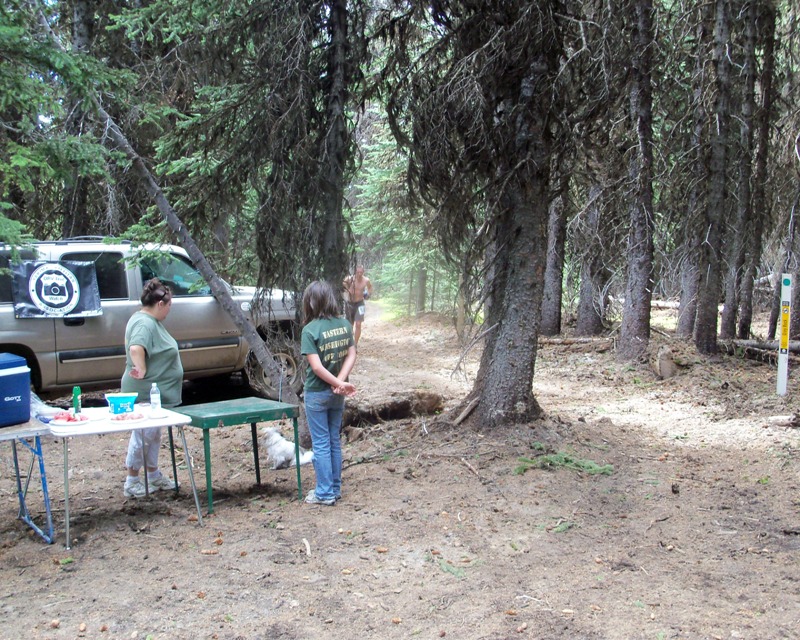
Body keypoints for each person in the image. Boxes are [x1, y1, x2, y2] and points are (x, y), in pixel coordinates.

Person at [120, 278, 183, 498]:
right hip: (146, 393)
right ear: (159, 304)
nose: (169, 311)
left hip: (157, 396)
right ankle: (132, 480)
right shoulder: (144, 323)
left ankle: (153, 474)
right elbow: (136, 347)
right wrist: (141, 368)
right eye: (168, 306)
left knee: (153, 435)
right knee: (142, 435)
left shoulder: (149, 320)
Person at [300, 280, 357, 506]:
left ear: (311, 303)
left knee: (321, 443)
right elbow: (352, 354)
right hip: (337, 394)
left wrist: (337, 383)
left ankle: (324, 493)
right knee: (334, 440)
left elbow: (316, 368)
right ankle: (335, 488)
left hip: (317, 393)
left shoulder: (309, 330)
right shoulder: (344, 324)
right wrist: (341, 383)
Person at [342, 265, 373, 346]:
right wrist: (348, 289)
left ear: (363, 272)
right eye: (358, 272)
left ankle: (355, 344)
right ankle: (349, 342)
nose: (359, 274)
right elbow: (343, 283)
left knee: (358, 324)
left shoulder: (366, 280)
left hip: (360, 303)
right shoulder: (350, 278)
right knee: (350, 324)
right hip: (350, 303)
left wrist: (368, 294)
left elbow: (370, 287)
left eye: (361, 272)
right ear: (355, 272)